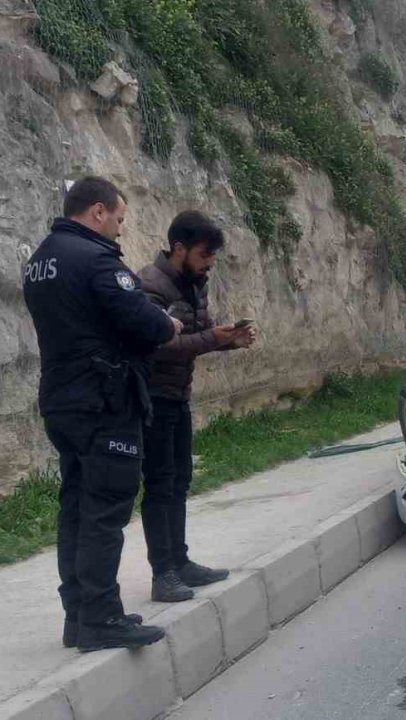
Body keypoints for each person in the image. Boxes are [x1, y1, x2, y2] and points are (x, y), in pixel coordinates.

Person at [22, 176, 181, 651]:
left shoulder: (40, 260)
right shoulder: (95, 259)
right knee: (104, 510)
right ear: (97, 211)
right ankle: (101, 618)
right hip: (103, 402)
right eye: (118, 218)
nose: (120, 228)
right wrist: (168, 324)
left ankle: (78, 615)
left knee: (76, 507)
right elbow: (144, 322)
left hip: (62, 401)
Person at [139, 211, 256, 602]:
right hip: (152, 398)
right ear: (179, 248)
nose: (210, 263)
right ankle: (163, 574)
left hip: (178, 396)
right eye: (204, 254)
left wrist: (229, 341)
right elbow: (158, 345)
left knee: (180, 480)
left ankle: (180, 561)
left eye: (213, 256)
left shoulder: (195, 284)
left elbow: (196, 338)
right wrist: (213, 338)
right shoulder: (150, 285)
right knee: (160, 484)